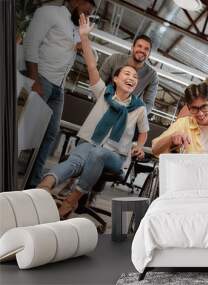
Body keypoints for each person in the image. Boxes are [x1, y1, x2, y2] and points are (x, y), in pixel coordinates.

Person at [37, 14, 149, 219]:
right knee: (76, 160)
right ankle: (45, 186)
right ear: (115, 79)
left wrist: (139, 146)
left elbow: (143, 132)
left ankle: (73, 198)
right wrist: (84, 37)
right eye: (126, 74)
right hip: (90, 142)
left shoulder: (138, 108)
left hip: (116, 156)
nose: (131, 77)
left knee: (97, 154)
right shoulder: (103, 93)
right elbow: (90, 65)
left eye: (134, 77)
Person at [24, 0, 96, 188]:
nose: (85, 16)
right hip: (42, 79)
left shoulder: (75, 30)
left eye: (88, 14)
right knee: (25, 129)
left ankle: (33, 183)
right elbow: (30, 43)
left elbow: (93, 58)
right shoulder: (49, 12)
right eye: (84, 11)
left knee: (50, 134)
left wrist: (84, 41)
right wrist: (34, 79)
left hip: (59, 88)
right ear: (74, 2)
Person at [99, 34, 159, 114]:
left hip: (126, 113)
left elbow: (149, 103)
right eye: (139, 46)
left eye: (146, 49)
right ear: (132, 48)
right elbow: (100, 82)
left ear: (149, 54)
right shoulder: (115, 59)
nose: (142, 50)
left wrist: (134, 116)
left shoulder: (152, 76)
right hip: (104, 105)